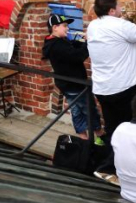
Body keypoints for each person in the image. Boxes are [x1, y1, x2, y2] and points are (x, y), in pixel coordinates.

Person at [87, 0, 136, 177]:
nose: (122, 9)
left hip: (103, 88)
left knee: (114, 129)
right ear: (111, 10)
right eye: (119, 7)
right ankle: (118, 169)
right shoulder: (120, 25)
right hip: (123, 87)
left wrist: (124, 21)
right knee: (132, 129)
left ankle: (111, 168)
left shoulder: (93, 25)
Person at [42, 13, 104, 143]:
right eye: (64, 26)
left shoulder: (56, 41)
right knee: (89, 110)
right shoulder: (57, 45)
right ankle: (100, 137)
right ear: (55, 27)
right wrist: (87, 42)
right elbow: (78, 56)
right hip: (75, 85)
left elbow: (72, 45)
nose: (67, 28)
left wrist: (82, 41)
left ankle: (83, 139)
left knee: (77, 111)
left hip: (67, 85)